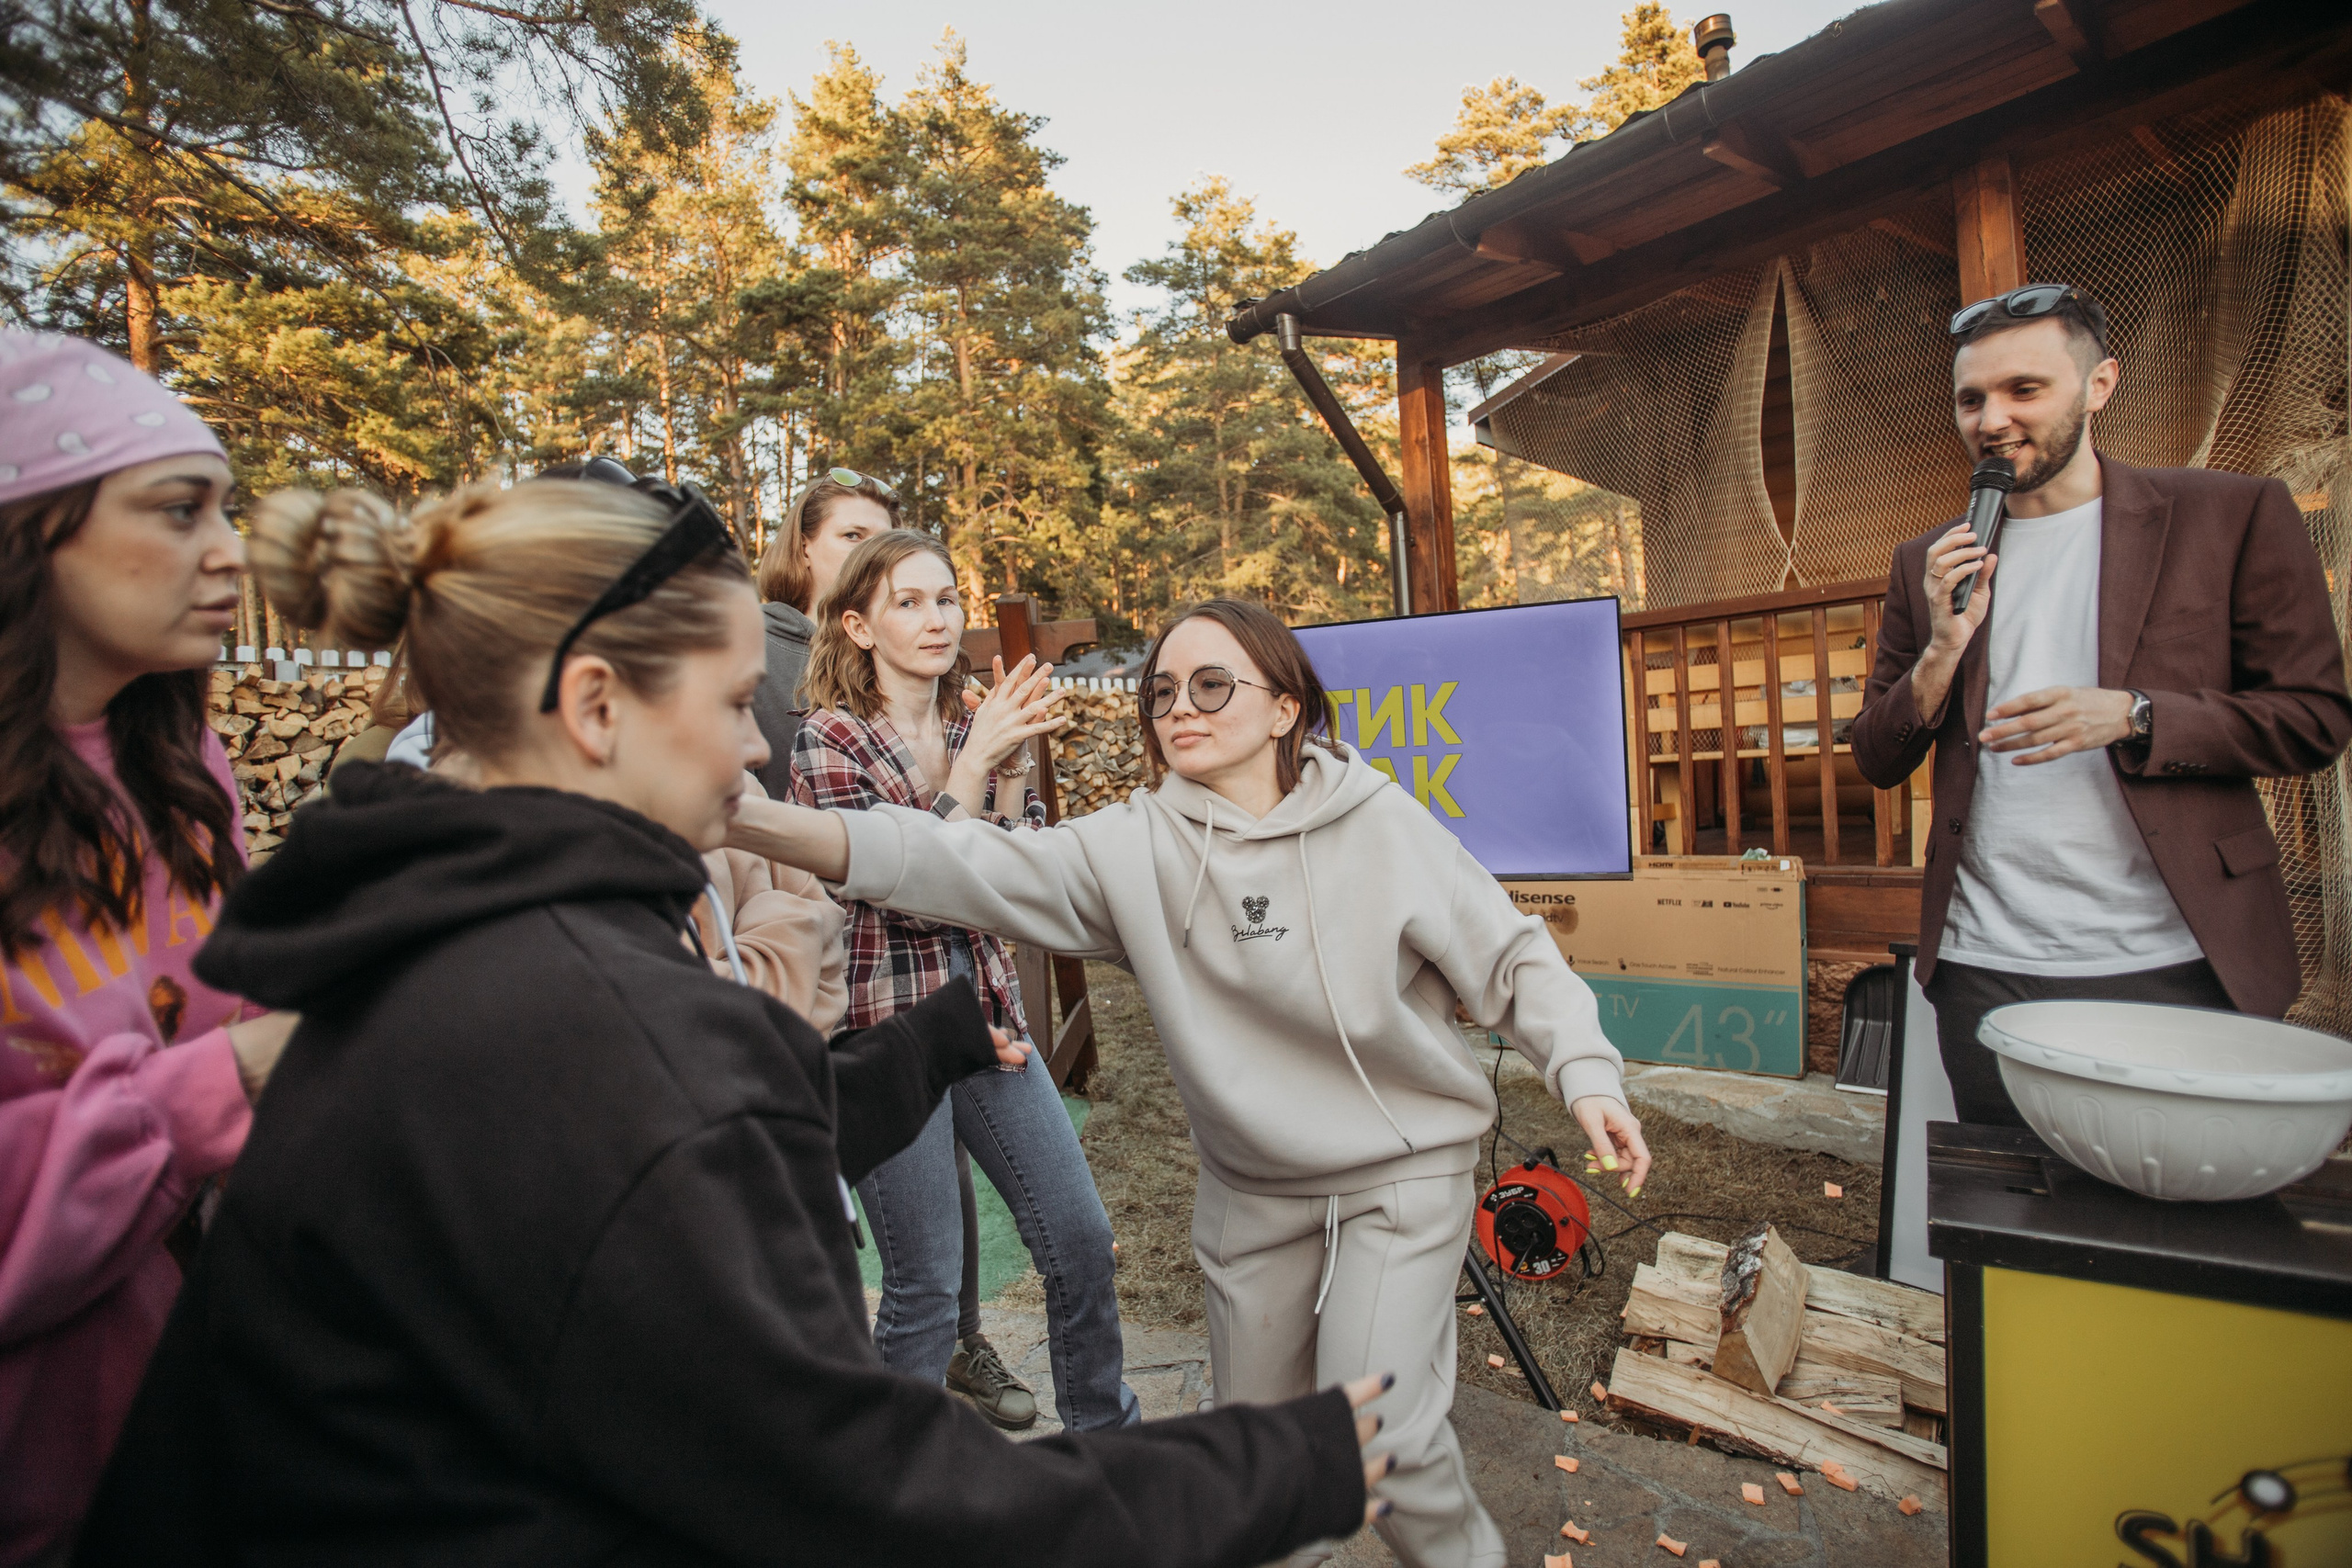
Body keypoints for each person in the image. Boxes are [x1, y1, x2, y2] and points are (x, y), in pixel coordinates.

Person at [76, 476, 1392, 1565]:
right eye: (725, 703)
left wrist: (919, 1049)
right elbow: (862, 1491)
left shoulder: (442, 946)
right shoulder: (583, 1014)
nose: (756, 751)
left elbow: (662, 1141)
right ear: (596, 707)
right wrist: (1279, 1462)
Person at [729, 596, 1654, 1568]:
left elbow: (1510, 956)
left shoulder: (1380, 821)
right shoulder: (1131, 847)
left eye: (1212, 685)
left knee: (1382, 1436)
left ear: (1285, 707)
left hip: (1401, 1171)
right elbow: (951, 858)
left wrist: (1585, 1071)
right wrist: (749, 819)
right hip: (1252, 1193)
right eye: (1162, 690)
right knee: (1255, 1468)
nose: (1180, 706)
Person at [1852, 283, 2352, 1125]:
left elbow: (2314, 717)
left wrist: (2136, 715)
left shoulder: (2228, 516)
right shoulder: (1928, 561)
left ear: (2100, 384)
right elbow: (1877, 754)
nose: (1992, 420)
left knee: (2182, 1201)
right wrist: (1941, 648)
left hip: (2177, 958)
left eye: (2024, 389)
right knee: (2014, 1204)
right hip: (1984, 965)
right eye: (1971, 399)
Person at [0, 331, 300, 1565]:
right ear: (30, 531)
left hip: (192, 1447)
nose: (230, 551)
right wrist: (223, 1086)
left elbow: (230, 1012)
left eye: (226, 508)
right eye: (180, 511)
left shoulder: (183, 769)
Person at [793, 528, 1134, 1433]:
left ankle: (1110, 1448)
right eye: (907, 602)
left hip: (990, 1021)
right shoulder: (829, 741)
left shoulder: (965, 724)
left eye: (946, 598)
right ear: (858, 627)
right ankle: (891, 1486)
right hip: (886, 1039)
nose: (936, 618)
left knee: (1081, 1243)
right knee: (927, 1290)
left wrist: (1008, 775)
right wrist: (977, 765)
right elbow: (906, 899)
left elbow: (1018, 884)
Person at [751, 467, 899, 797]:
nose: (874, 555)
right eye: (853, 536)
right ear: (804, 547)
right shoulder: (745, 644)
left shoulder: (911, 648)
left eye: (884, 542)